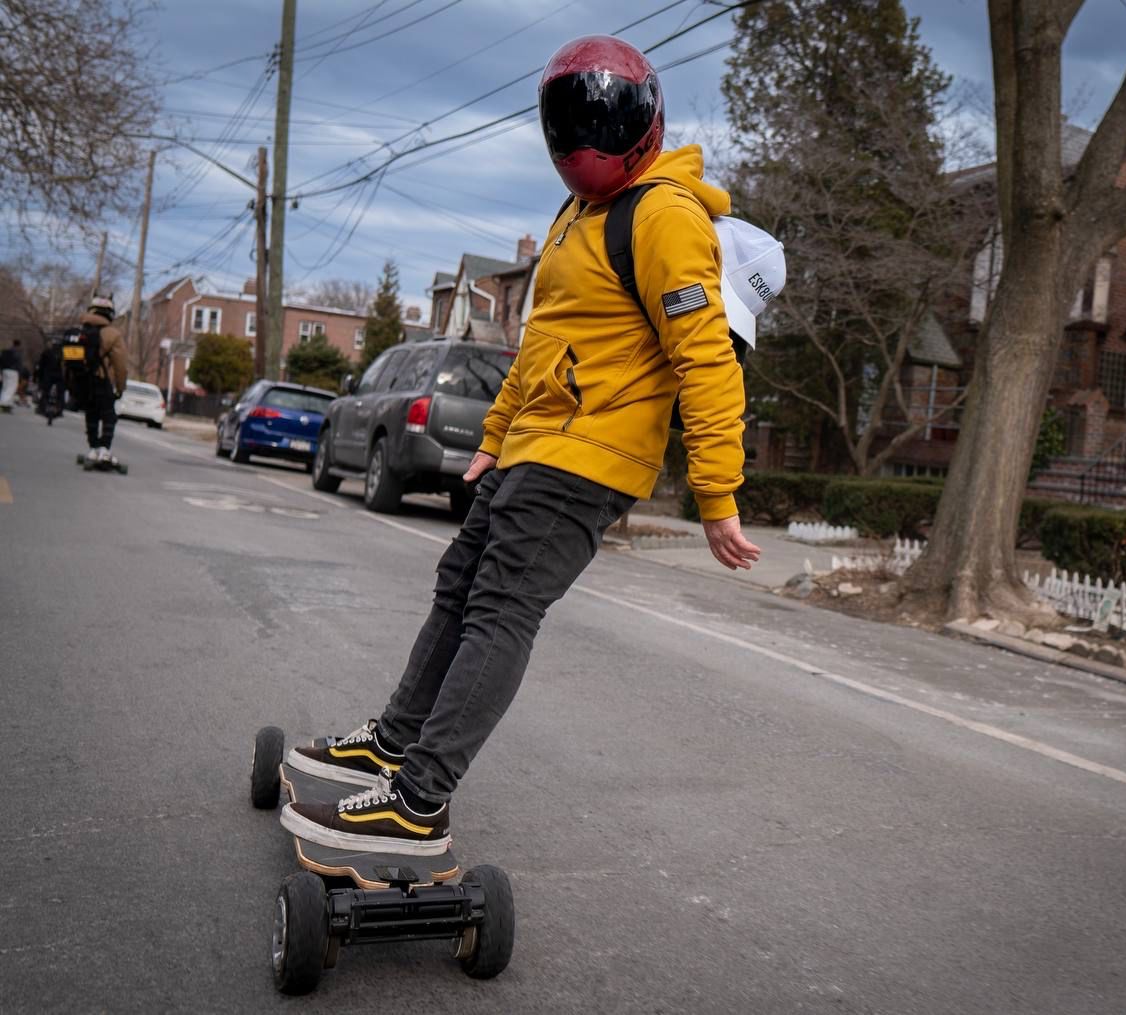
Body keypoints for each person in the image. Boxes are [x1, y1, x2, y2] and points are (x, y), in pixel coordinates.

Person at [281, 36, 779, 858]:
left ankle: (417, 800)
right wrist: (496, 437)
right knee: (460, 584)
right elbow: (544, 343)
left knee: (502, 608)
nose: (584, 139)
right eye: (570, 126)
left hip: (593, 454)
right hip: (538, 444)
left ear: (643, 120)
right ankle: (396, 740)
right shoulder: (578, 215)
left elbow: (708, 363)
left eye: (601, 124)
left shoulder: (663, 215)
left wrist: (718, 497)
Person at [72, 295, 128, 465]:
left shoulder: (80, 331)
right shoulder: (113, 334)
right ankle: (104, 449)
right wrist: (120, 388)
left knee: (91, 414)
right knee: (108, 415)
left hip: (82, 380)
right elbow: (120, 365)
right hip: (101, 380)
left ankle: (92, 448)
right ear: (110, 313)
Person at [36, 337, 66, 421]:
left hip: (48, 375)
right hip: (59, 376)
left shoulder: (47, 352)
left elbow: (41, 366)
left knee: (45, 392)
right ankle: (60, 410)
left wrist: (39, 377)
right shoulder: (63, 353)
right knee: (60, 393)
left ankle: (41, 408)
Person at [0, 340, 20, 412]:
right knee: (11, 387)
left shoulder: (6, 352)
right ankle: (5, 404)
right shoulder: (16, 353)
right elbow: (18, 363)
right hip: (13, 371)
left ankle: (4, 403)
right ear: (18, 345)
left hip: (5, 370)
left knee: (5, 387)